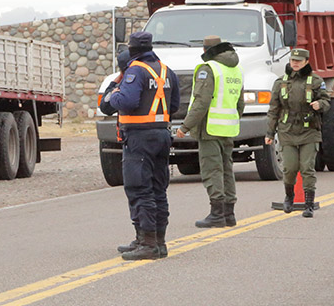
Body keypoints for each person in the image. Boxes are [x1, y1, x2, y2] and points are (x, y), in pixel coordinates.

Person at [101, 31, 180, 260]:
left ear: (132, 48)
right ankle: (158, 242)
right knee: (158, 189)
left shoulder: (135, 70)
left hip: (139, 138)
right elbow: (174, 105)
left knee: (139, 189)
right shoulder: (166, 70)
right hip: (162, 135)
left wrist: (115, 93)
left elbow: (126, 101)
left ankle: (147, 244)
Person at [177, 35, 244, 228]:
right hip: (228, 127)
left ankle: (217, 215)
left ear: (205, 50)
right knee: (226, 170)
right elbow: (240, 103)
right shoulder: (235, 69)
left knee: (212, 170)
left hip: (210, 129)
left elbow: (201, 102)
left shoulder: (209, 69)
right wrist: (231, 119)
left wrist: (185, 126)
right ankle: (229, 214)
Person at [265, 48, 332, 217]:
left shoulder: (315, 81)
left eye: (299, 61)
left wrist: (320, 104)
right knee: (289, 168)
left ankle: (309, 204)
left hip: (309, 130)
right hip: (287, 131)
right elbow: (273, 110)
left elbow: (326, 100)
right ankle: (289, 197)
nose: (295, 63)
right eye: (293, 60)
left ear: (306, 62)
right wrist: (269, 133)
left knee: (307, 168)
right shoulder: (280, 82)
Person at [98, 50, 139, 254]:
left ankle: (145, 240)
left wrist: (116, 84)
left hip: (135, 141)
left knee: (138, 190)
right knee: (155, 192)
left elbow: (106, 106)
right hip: (158, 138)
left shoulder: (128, 83)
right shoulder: (161, 75)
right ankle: (155, 239)